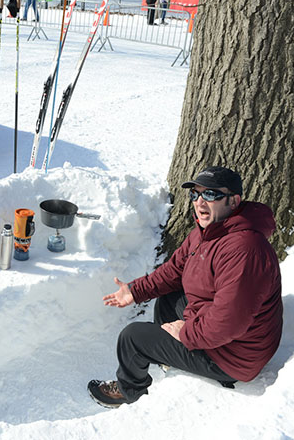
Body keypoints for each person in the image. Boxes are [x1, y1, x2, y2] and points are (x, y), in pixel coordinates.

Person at [87, 166, 283, 408]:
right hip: (220, 334)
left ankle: (130, 393)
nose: (200, 202)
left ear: (234, 201)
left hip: (233, 357)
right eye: (196, 195)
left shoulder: (244, 249)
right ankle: (172, 359)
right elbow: (173, 272)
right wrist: (135, 291)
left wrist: (186, 333)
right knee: (169, 298)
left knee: (133, 338)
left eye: (211, 195)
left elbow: (228, 322)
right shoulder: (207, 233)